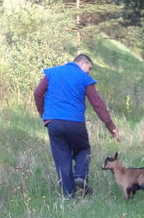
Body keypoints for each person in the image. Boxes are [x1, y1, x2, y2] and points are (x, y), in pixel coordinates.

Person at [34, 53, 120, 198]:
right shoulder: (84, 77)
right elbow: (97, 103)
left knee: (62, 160)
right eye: (89, 68)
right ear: (82, 63)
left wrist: (44, 115)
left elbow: (37, 93)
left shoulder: (52, 72)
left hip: (53, 122)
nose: (89, 72)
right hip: (75, 123)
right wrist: (110, 126)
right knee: (83, 149)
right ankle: (80, 176)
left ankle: (69, 197)